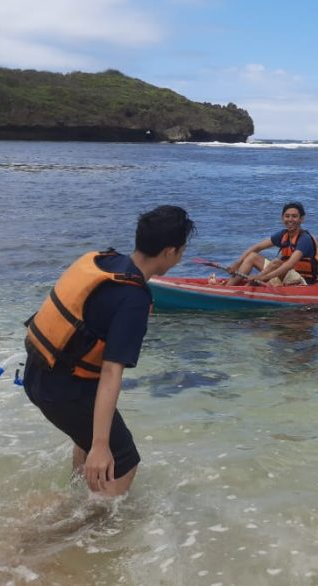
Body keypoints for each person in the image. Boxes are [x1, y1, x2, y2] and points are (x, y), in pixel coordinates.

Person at [23, 205, 194, 497]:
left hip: (38, 375)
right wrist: (101, 446)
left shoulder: (106, 261)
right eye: (181, 250)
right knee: (122, 461)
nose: (181, 256)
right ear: (169, 252)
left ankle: (80, 495)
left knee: (88, 440)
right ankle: (79, 532)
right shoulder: (134, 299)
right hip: (63, 391)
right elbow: (111, 371)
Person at [226, 201, 318, 285]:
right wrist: (236, 264)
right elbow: (256, 247)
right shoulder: (283, 235)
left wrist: (262, 277)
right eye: (287, 216)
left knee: (276, 262)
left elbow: (290, 264)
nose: (290, 220)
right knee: (252, 256)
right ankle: (229, 287)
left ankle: (250, 286)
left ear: (301, 219)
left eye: (294, 216)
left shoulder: (305, 239)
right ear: (282, 218)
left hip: (302, 281)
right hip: (285, 276)